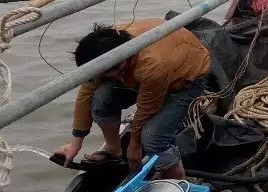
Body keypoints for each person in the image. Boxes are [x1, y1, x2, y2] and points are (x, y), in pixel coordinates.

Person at [52, 19, 211, 180]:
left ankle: (179, 182)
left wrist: (134, 145)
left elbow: (147, 108)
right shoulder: (103, 48)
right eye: (106, 75)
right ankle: (113, 149)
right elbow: (86, 93)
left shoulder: (153, 64)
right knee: (101, 99)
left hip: (187, 77)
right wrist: (76, 143)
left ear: (125, 59)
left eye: (119, 71)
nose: (114, 77)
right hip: (145, 74)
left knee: (153, 138)